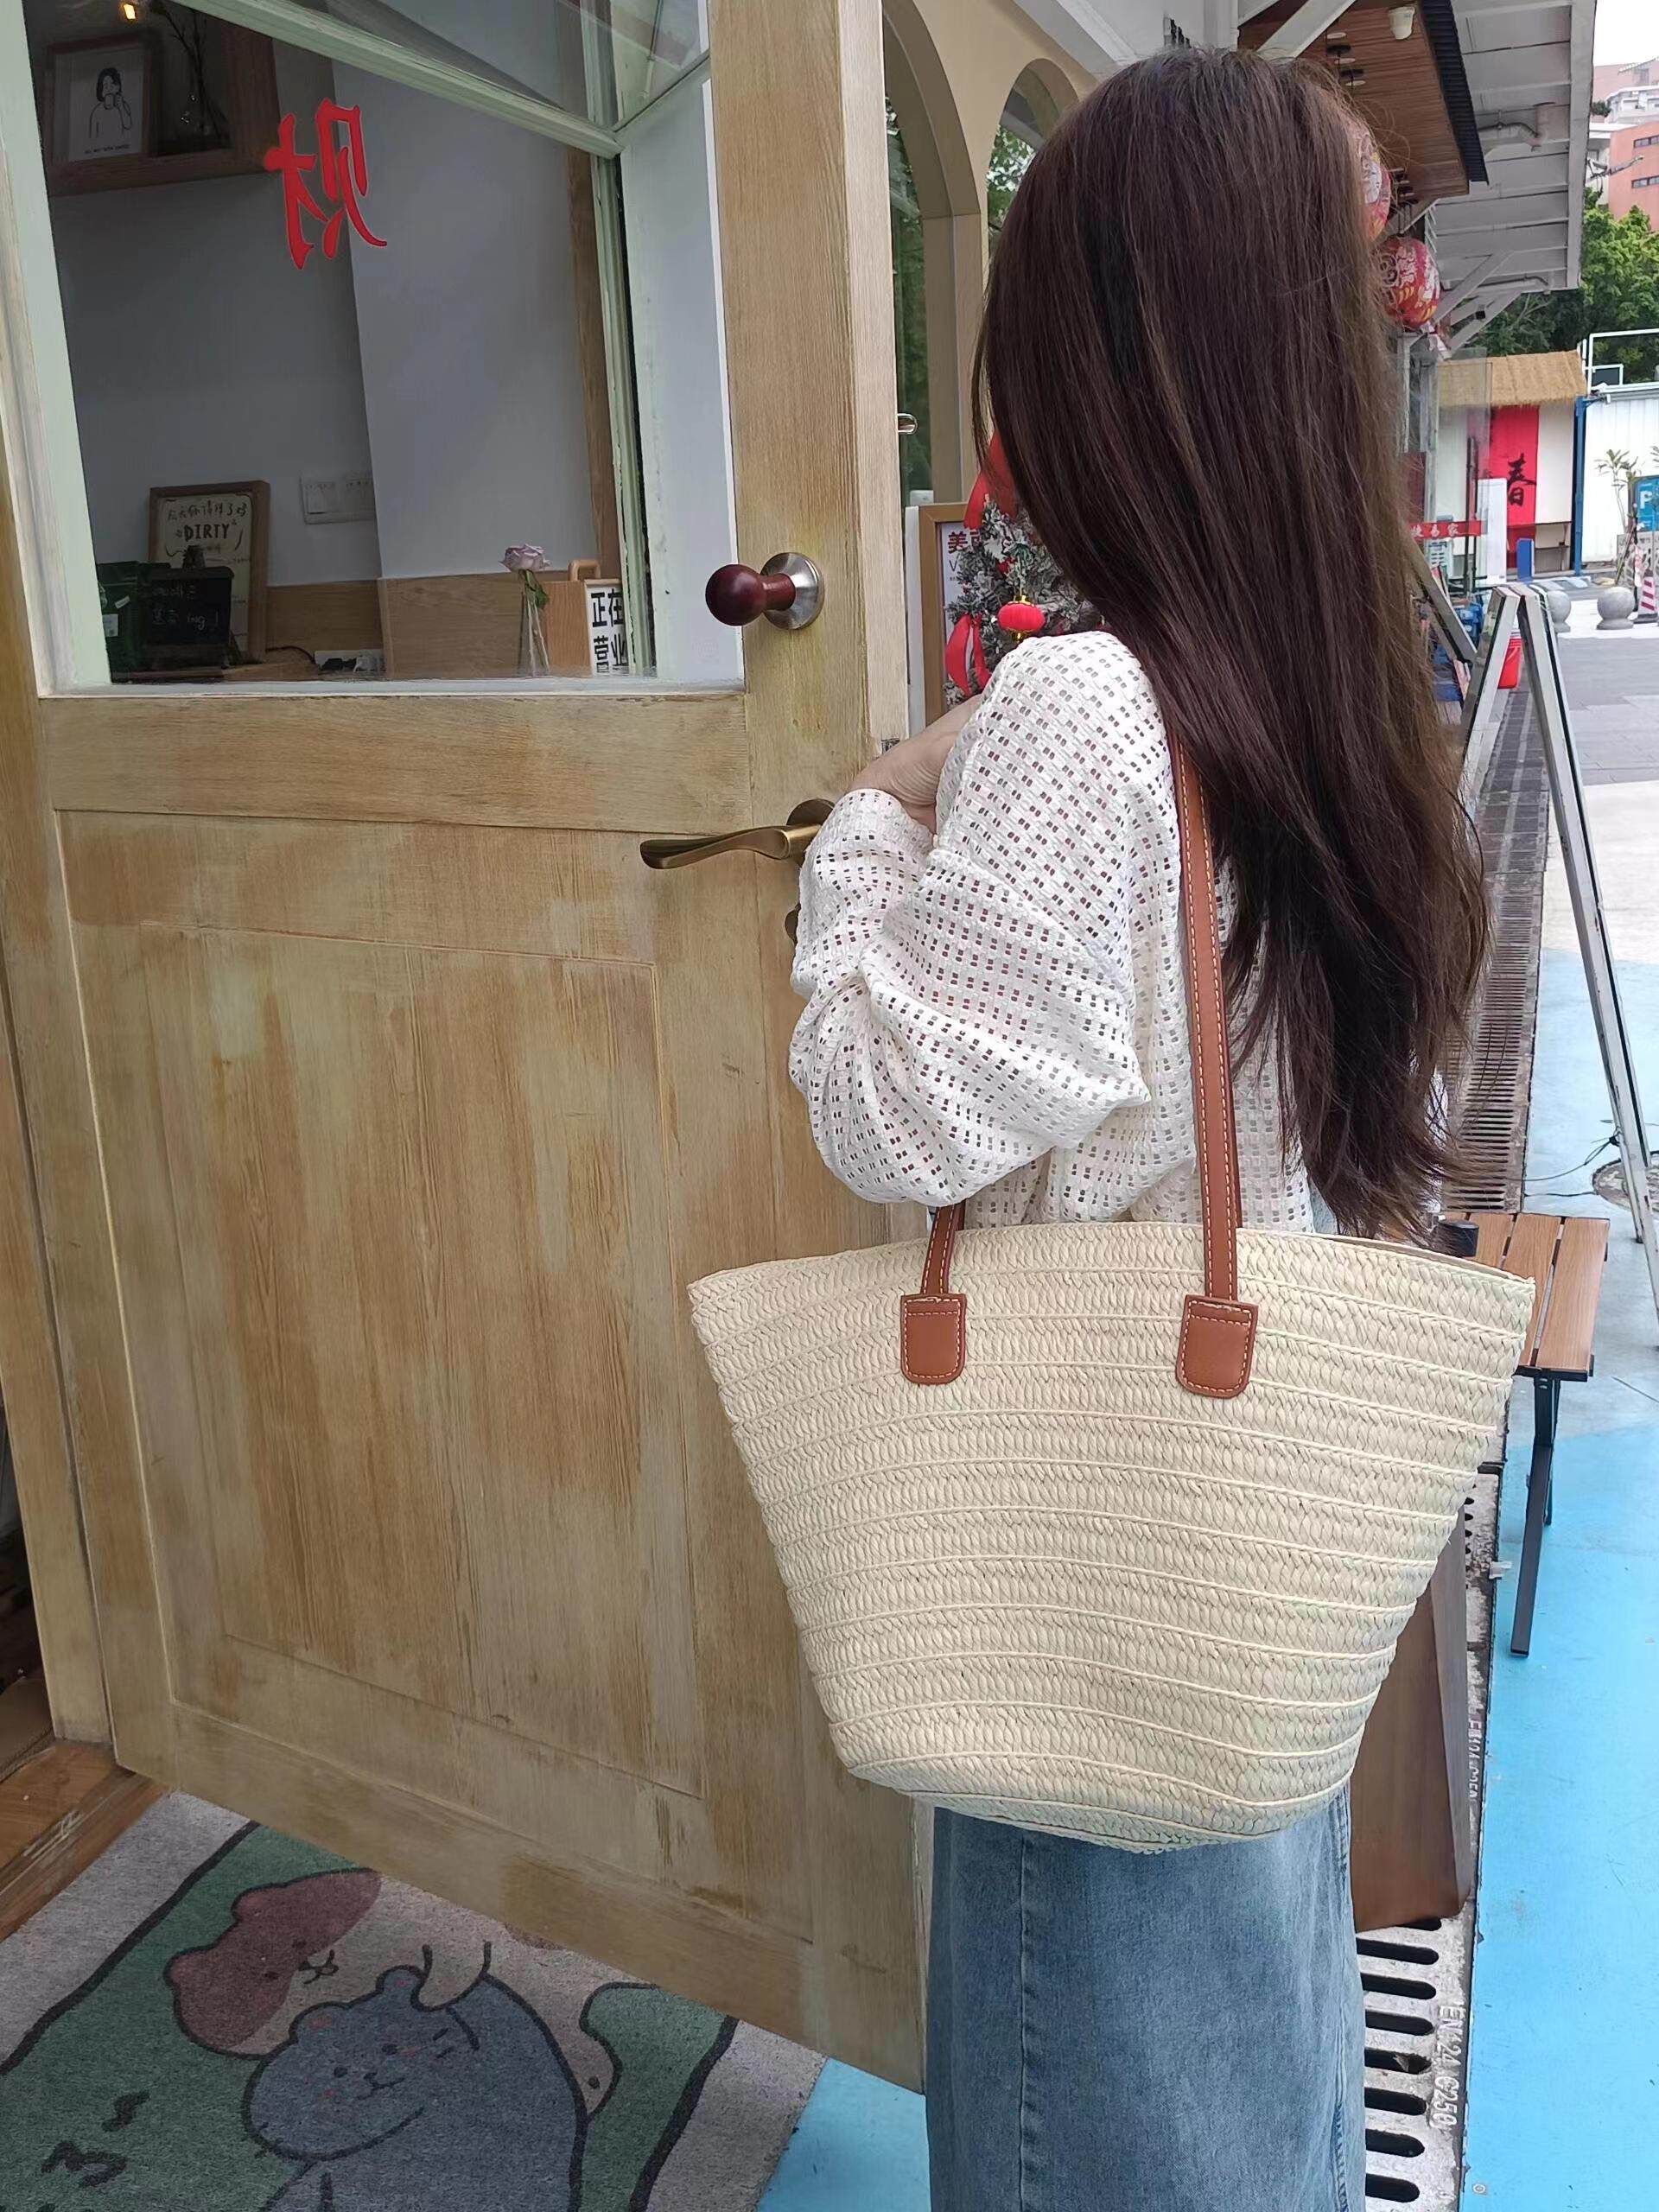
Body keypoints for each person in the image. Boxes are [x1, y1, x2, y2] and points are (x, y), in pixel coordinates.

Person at [786, 48, 1486, 2212]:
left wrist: (863, 827)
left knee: (1083, 2095)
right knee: (1244, 2055)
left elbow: (891, 1107)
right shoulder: (1335, 680)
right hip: (1249, 1547)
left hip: (1083, 1569)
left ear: (1109, 364)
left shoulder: (1091, 707)